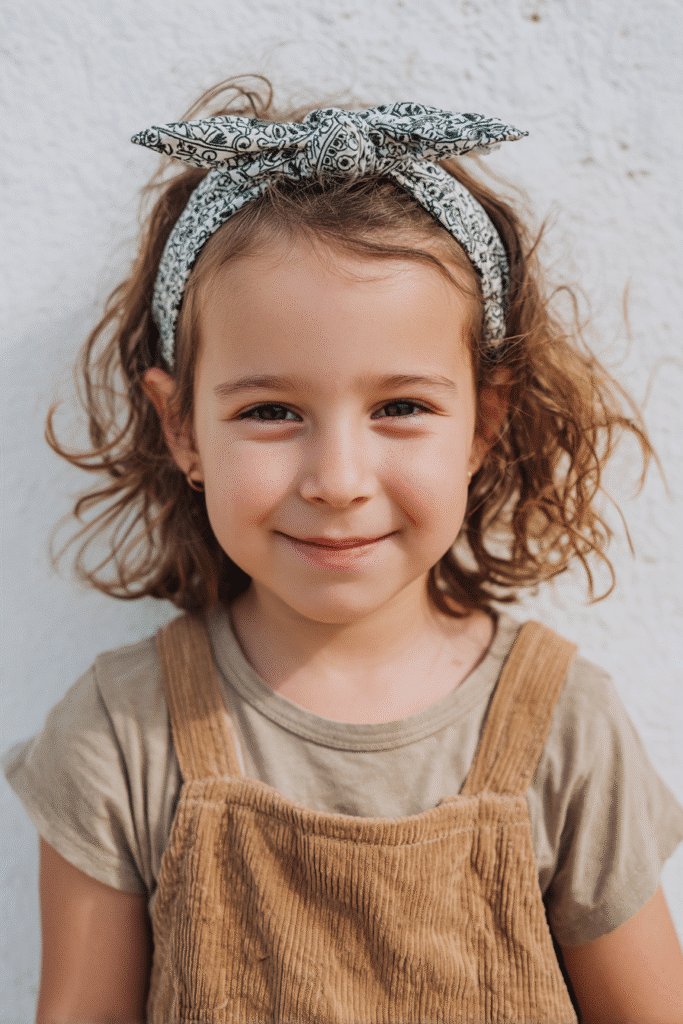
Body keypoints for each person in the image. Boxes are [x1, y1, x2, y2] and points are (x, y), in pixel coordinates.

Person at [4, 75, 683, 1023]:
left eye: (400, 407)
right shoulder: (121, 737)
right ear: (182, 426)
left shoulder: (565, 729)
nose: (337, 478)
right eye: (270, 411)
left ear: (483, 421)